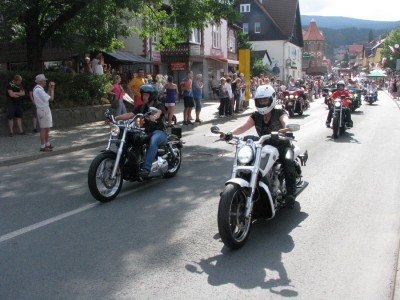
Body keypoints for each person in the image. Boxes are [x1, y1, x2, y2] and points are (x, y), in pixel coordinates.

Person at [223, 84, 297, 207]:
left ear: (272, 99)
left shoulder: (279, 112)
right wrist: (229, 134)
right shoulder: (256, 115)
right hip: (263, 145)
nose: (262, 103)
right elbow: (243, 127)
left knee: (288, 162)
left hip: (282, 145)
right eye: (260, 100)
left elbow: (285, 121)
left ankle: (291, 193)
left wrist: (287, 128)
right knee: (248, 162)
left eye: (265, 100)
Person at [115, 85, 166, 177]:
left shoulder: (159, 104)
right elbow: (131, 114)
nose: (144, 97)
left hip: (158, 132)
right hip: (146, 132)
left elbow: (159, 112)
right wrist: (116, 117)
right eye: (143, 95)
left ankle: (146, 168)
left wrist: (154, 116)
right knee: (132, 139)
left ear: (152, 96)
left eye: (146, 95)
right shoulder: (142, 107)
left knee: (153, 141)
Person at [33, 74, 55, 152]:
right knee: (43, 128)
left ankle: (47, 143)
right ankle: (43, 146)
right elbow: (51, 98)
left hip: (43, 109)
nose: (45, 81)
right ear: (40, 81)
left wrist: (49, 89)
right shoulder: (39, 90)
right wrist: (52, 89)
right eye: (44, 80)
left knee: (47, 128)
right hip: (43, 110)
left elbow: (46, 97)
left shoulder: (38, 89)